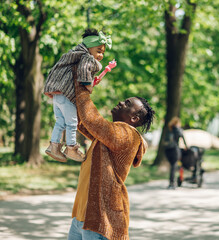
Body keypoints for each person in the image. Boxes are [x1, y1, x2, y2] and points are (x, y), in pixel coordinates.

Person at [68, 74, 155, 240]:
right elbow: (83, 122)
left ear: (134, 118)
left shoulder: (128, 134)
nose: (121, 102)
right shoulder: (111, 134)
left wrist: (81, 87)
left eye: (127, 104)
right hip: (82, 216)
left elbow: (93, 121)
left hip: (100, 221)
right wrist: (71, 94)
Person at [43, 28, 112, 162]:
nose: (101, 55)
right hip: (67, 95)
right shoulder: (86, 57)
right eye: (98, 51)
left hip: (57, 95)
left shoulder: (73, 55)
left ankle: (54, 146)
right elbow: (83, 71)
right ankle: (71, 148)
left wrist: (92, 81)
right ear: (89, 47)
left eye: (103, 52)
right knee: (72, 122)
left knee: (60, 122)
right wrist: (89, 85)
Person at [164, 117, 187, 189]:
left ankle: (172, 182)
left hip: (167, 150)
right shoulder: (178, 130)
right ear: (177, 123)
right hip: (175, 150)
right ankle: (172, 183)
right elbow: (183, 138)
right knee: (174, 166)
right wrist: (186, 146)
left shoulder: (169, 129)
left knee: (172, 166)